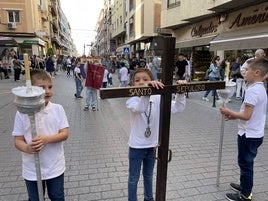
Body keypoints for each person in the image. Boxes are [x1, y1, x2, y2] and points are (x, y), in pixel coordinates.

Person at [126, 68, 187, 201]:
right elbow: (140, 108)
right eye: (137, 80)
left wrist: (180, 92)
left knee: (148, 176)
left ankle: (149, 198)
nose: (142, 82)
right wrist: (147, 91)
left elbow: (177, 108)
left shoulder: (158, 98)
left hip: (152, 146)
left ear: (152, 81)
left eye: (146, 79)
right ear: (133, 84)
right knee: (133, 178)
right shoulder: (131, 100)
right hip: (136, 147)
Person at [12, 69, 69, 201]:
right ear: (30, 90)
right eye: (42, 88)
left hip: (54, 166)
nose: (47, 91)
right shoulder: (22, 112)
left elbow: (65, 134)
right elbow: (18, 140)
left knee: (57, 197)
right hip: (31, 168)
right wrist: (26, 148)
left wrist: (47, 139)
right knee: (35, 198)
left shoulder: (57, 109)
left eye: (50, 87)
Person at [220, 58, 268, 201]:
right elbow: (251, 114)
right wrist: (235, 117)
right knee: (245, 162)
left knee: (246, 163)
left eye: (247, 70)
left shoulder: (253, 91)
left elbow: (246, 115)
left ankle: (246, 194)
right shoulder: (259, 88)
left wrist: (229, 111)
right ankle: (244, 185)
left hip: (249, 134)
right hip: (254, 133)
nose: (244, 72)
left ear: (257, 72)